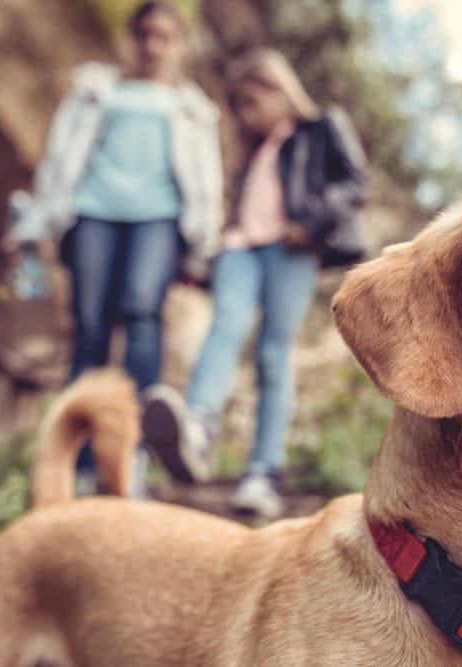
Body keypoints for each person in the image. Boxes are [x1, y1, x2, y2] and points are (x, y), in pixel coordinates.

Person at [6, 1, 223, 495]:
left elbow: (207, 182)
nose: (154, 45)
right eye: (146, 34)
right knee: (89, 330)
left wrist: (201, 246)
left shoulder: (193, 109)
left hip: (160, 220)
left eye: (166, 36)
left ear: (180, 46)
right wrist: (37, 221)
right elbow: (59, 160)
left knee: (143, 316)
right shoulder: (95, 91)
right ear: (133, 38)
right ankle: (79, 464)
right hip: (92, 213)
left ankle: (133, 456)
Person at [142, 49, 367, 519]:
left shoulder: (321, 127)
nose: (246, 115)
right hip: (241, 249)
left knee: (272, 353)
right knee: (224, 327)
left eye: (251, 102)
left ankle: (263, 471)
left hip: (292, 249)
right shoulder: (253, 154)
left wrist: (310, 223)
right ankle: (198, 429)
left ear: (278, 90)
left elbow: (353, 183)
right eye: (239, 107)